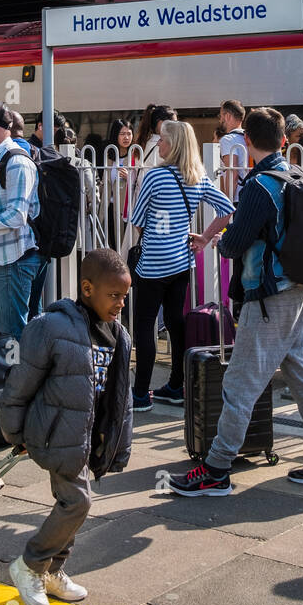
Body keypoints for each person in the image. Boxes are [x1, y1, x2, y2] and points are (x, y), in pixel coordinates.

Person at [166, 107, 303, 495]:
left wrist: (224, 240)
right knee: (300, 373)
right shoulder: (296, 176)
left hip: (268, 297)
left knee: (240, 383)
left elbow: (234, 246)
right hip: (300, 290)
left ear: (247, 141)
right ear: (285, 140)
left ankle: (216, 469)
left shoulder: (258, 185)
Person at [0, 249, 133, 605]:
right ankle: (30, 564)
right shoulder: (51, 327)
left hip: (87, 439)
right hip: (55, 435)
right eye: (113, 295)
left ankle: (53, 570)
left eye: (124, 296)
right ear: (87, 288)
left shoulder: (119, 336)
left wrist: (119, 446)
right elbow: (21, 383)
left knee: (75, 506)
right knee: (78, 502)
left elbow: (122, 397)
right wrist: (14, 431)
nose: (120, 304)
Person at [130, 119, 232, 410]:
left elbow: (138, 223)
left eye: (162, 140)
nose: (158, 144)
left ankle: (139, 395)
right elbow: (226, 210)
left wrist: (159, 233)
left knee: (145, 325)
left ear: (172, 145)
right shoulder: (198, 178)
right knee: (176, 322)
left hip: (152, 264)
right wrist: (203, 237)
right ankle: (176, 385)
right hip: (181, 263)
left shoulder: (153, 177)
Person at [0, 99, 42, 343]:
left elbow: (17, 216)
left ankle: (17, 380)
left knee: (13, 336)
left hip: (13, 262)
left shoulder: (17, 162)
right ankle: (0, 380)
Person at [102, 118, 138, 252]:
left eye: (129, 133)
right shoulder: (109, 157)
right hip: (110, 207)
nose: (126, 137)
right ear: (115, 135)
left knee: (126, 246)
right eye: (122, 134)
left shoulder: (136, 156)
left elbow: (141, 182)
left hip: (128, 208)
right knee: (112, 245)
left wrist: (130, 178)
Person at [217, 98, 249, 202]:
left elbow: (232, 172)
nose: (220, 119)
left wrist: (227, 203)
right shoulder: (249, 137)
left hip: (237, 198)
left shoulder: (227, 140)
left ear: (227, 116)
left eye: (221, 116)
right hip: (250, 193)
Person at [136, 103, 177, 168]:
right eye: (173, 123)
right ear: (160, 123)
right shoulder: (166, 145)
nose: (176, 126)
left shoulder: (141, 143)